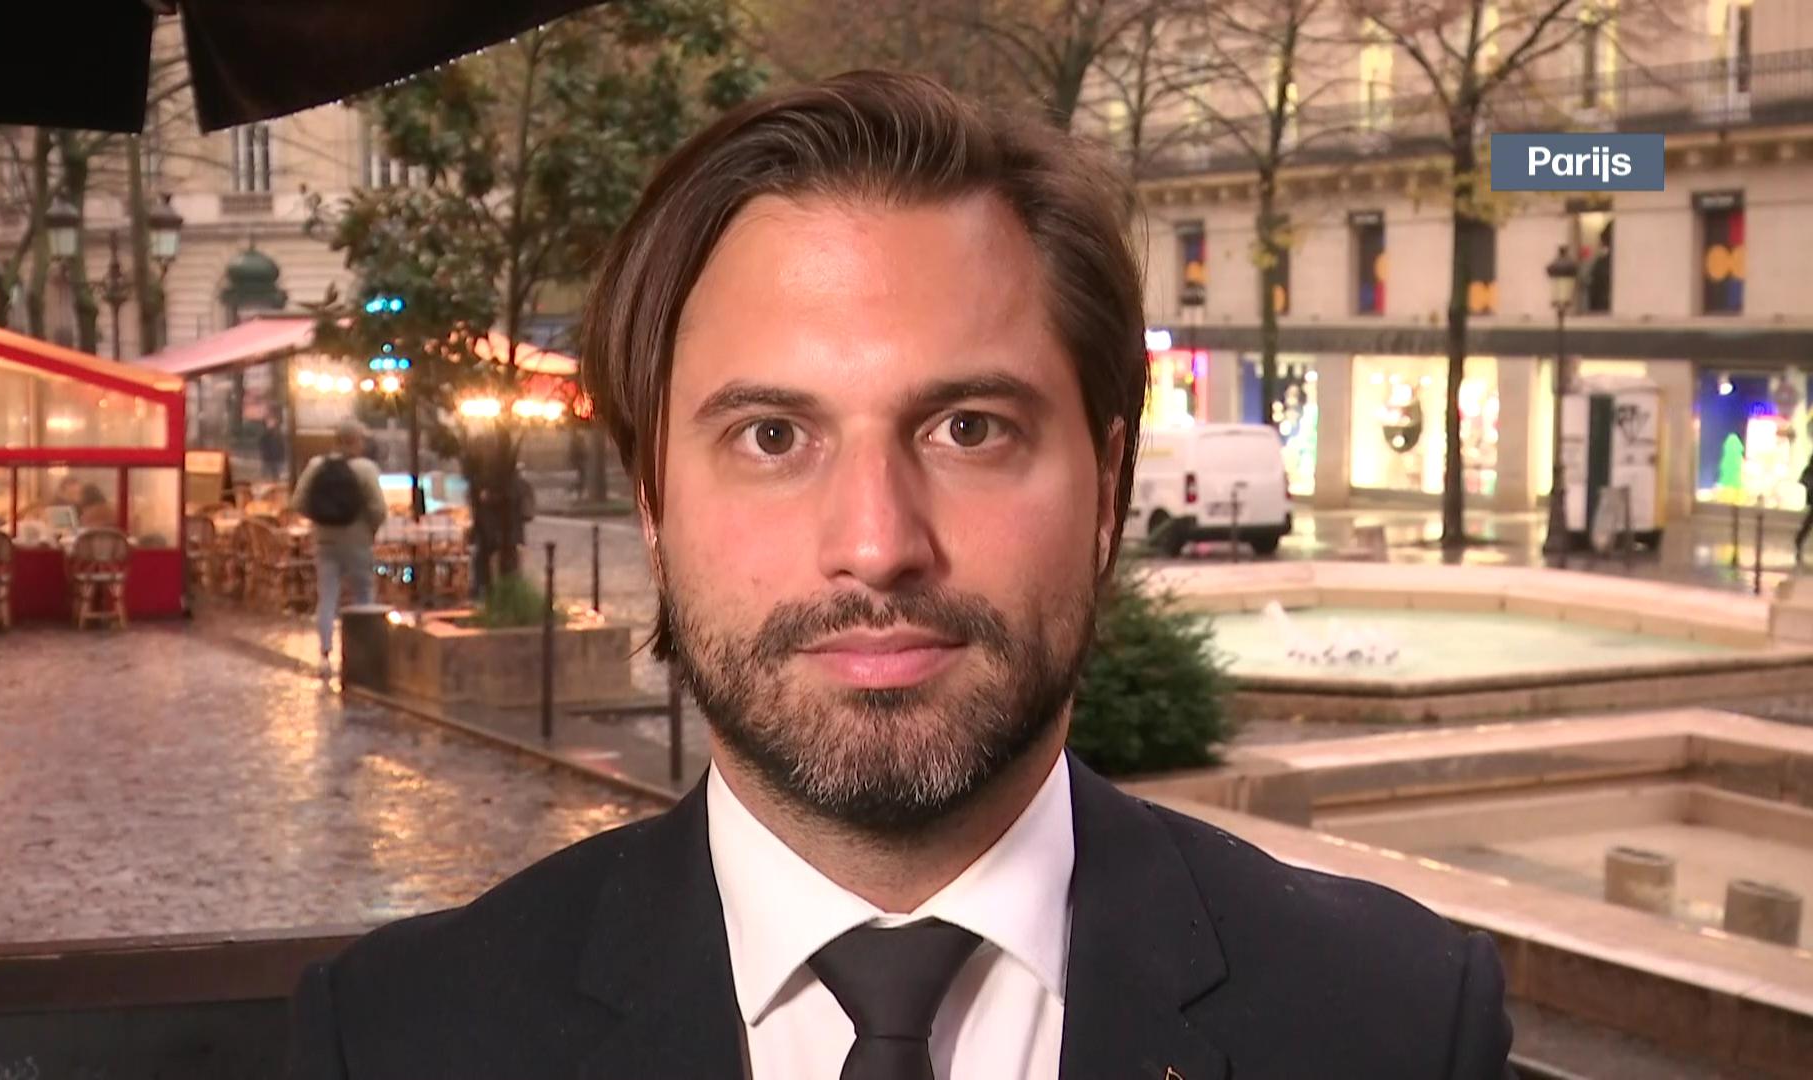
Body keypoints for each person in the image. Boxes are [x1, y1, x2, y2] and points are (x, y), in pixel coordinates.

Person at [287, 73, 1514, 1079]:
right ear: (653, 506)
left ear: (1107, 489)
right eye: (773, 436)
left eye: (969, 429)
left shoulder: (1398, 1026)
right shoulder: (399, 1041)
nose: (877, 544)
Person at [292, 418, 386, 681]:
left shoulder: (316, 465)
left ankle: (325, 654)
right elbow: (379, 509)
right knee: (363, 594)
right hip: (358, 539)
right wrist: (369, 529)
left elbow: (298, 502)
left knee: (327, 596)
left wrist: (320, 520)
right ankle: (364, 653)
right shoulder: (366, 469)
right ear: (357, 441)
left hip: (325, 540)